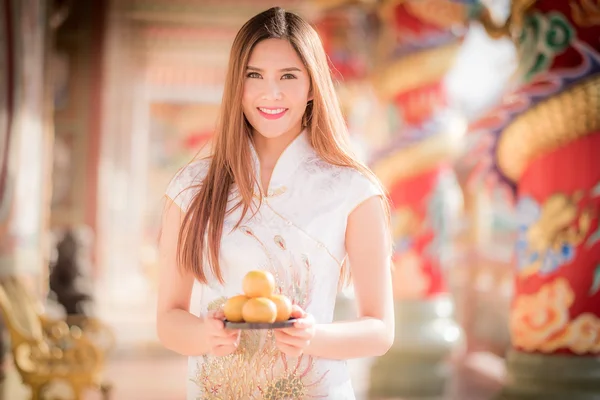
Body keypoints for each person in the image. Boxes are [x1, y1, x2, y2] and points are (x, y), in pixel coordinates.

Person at [157, 7, 394, 399]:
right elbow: (168, 320)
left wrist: (312, 337)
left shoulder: (354, 190)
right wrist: (205, 333)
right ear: (237, 84)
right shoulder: (192, 188)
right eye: (255, 76)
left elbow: (380, 329)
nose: (272, 93)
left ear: (314, 86)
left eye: (288, 76)